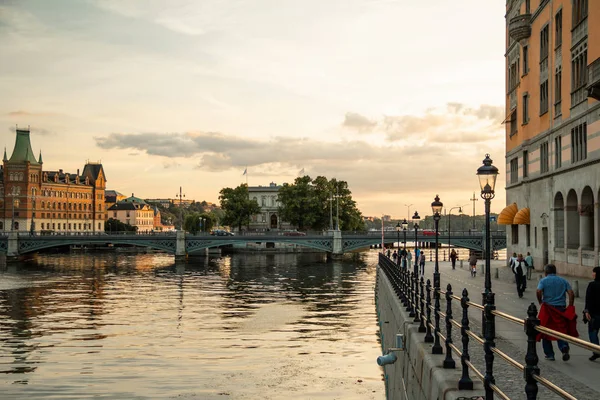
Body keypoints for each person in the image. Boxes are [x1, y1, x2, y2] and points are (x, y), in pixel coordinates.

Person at [536, 264, 578, 361]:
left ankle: (549, 354)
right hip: (560, 309)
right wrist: (570, 305)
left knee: (545, 330)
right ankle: (564, 347)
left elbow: (538, 291)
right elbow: (571, 293)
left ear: (546, 272)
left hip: (548, 308)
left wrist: (540, 301)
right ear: (555, 271)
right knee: (560, 329)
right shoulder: (563, 281)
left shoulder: (543, 280)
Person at [584, 266, 600, 361]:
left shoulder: (592, 285)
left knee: (593, 332)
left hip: (594, 313)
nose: (592, 274)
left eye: (594, 272)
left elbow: (588, 299)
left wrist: (587, 310)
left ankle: (596, 350)